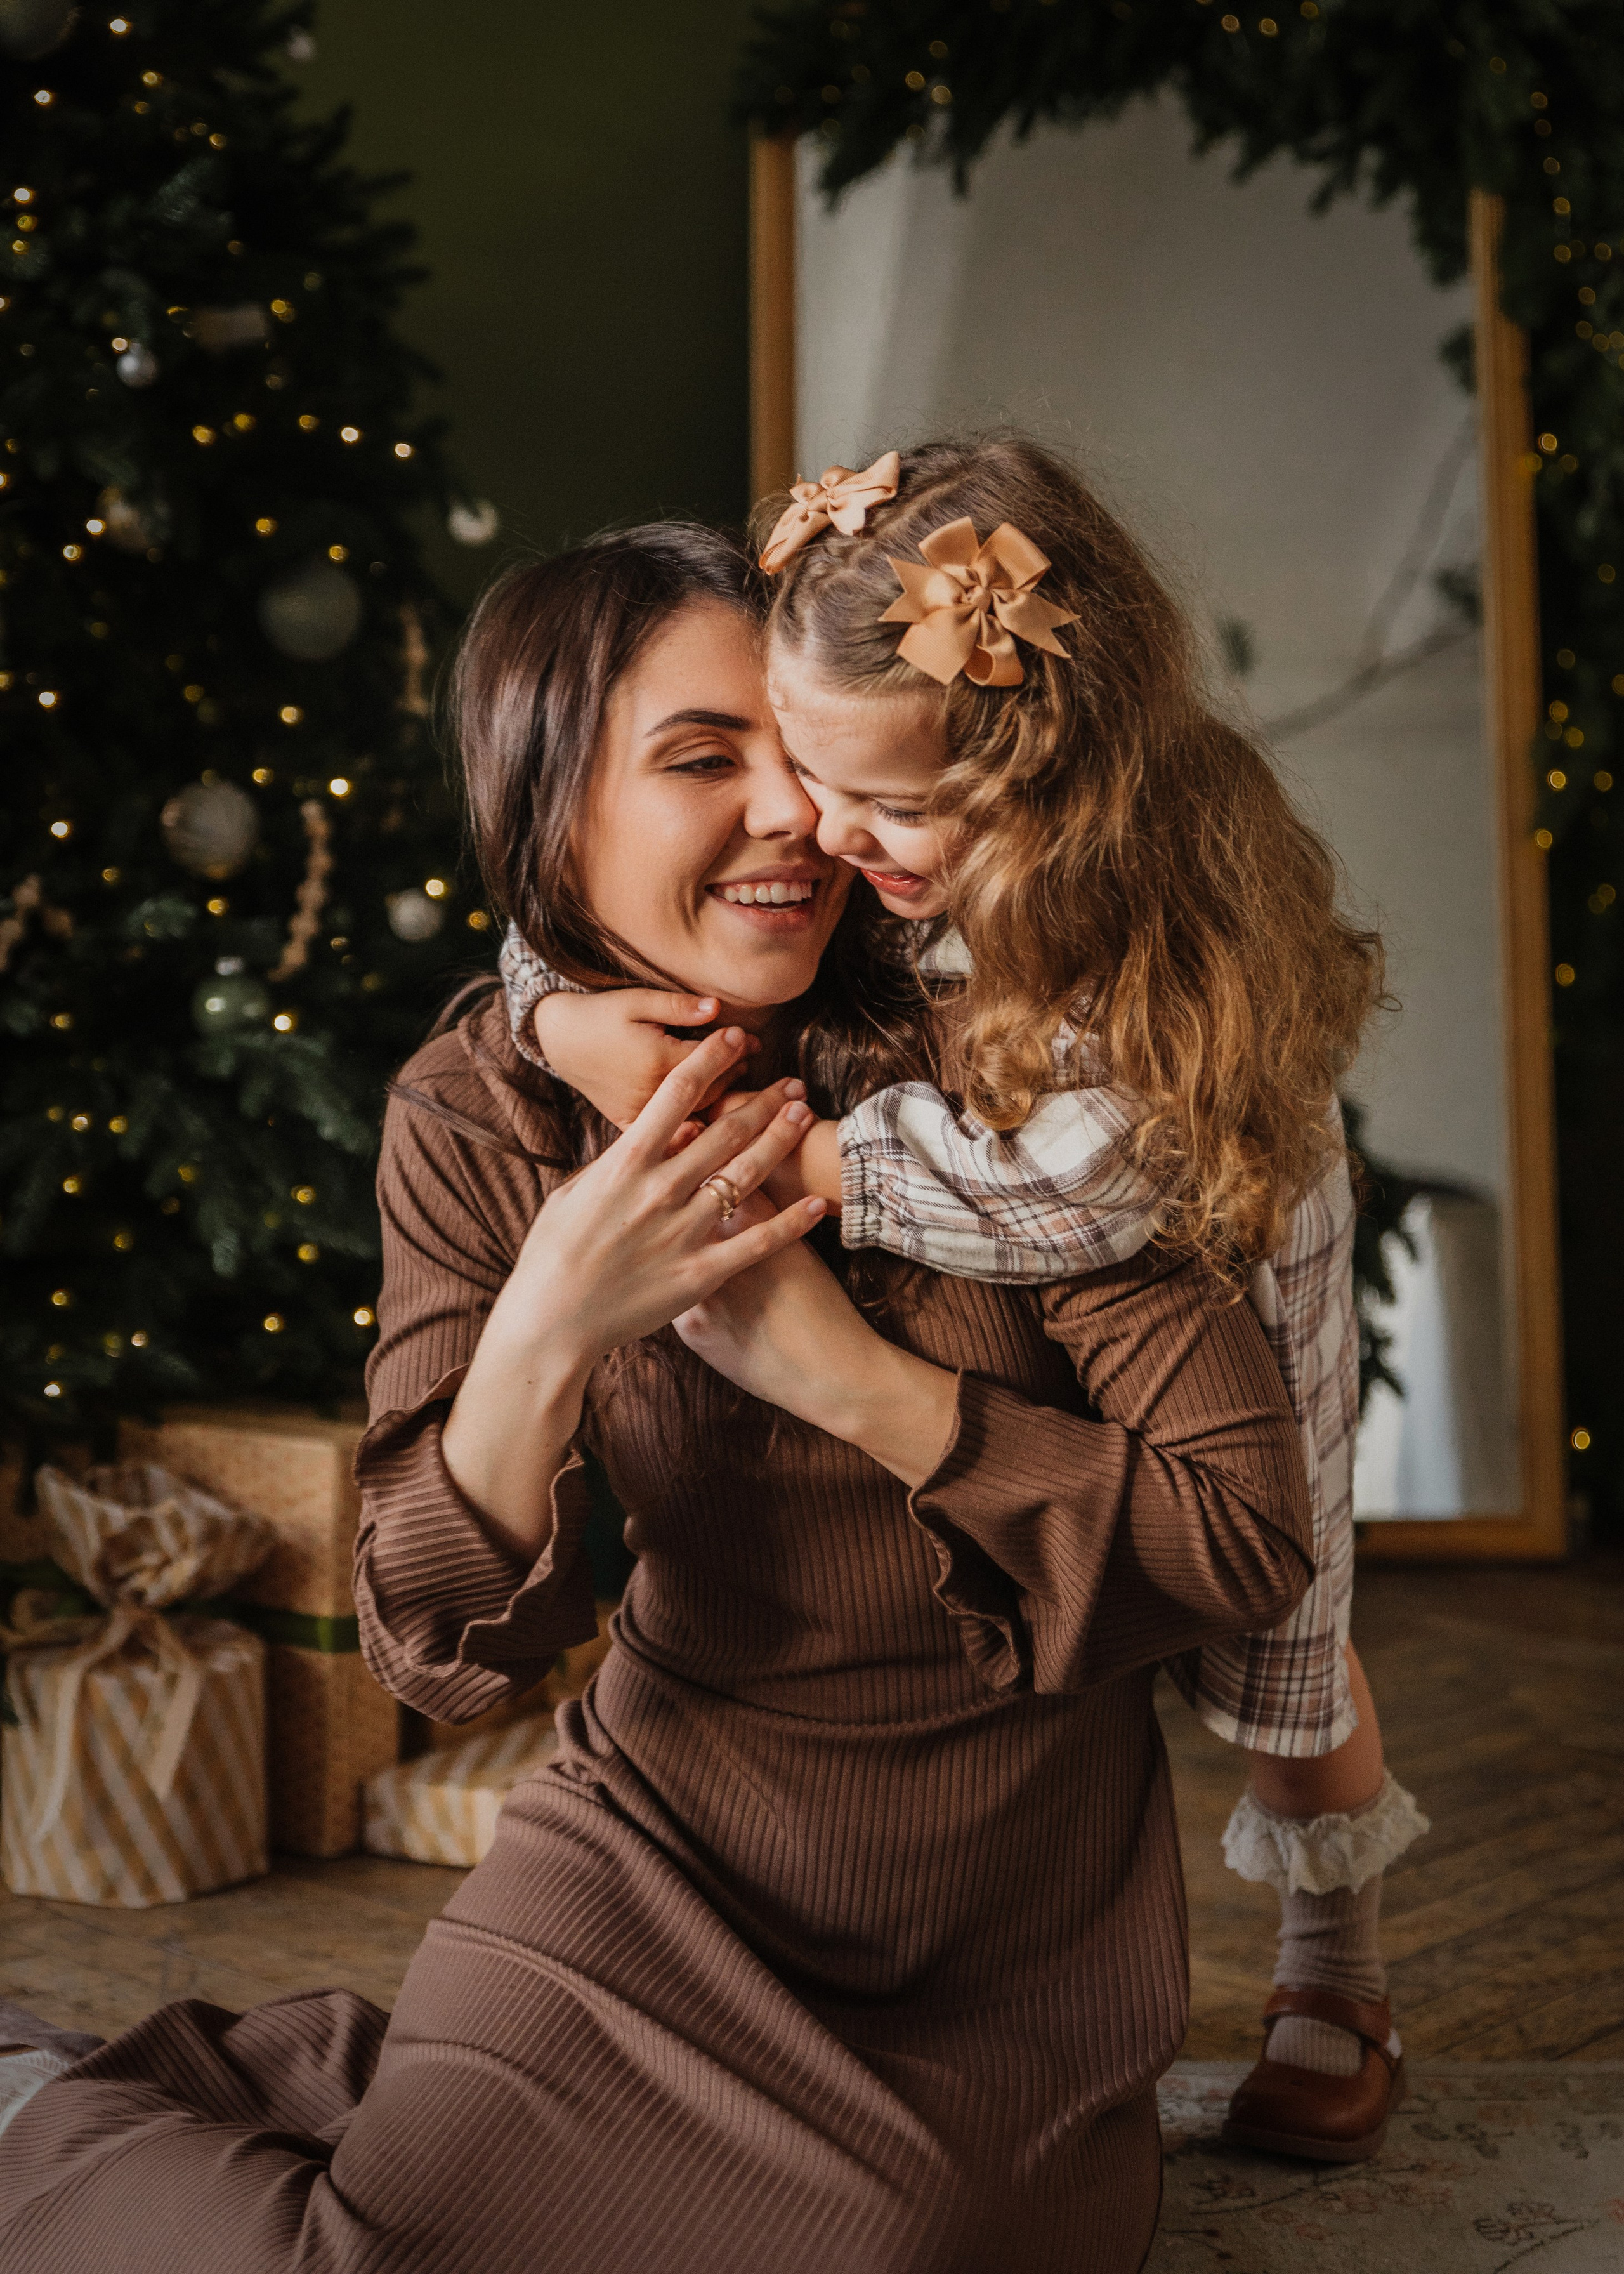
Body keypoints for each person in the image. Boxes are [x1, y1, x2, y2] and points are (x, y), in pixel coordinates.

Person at [0, 522, 1315, 2274]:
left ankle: (367, 2098)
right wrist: (546, 1327)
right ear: (549, 807)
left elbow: (1240, 1536)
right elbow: (426, 1641)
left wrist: (856, 1384)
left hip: (1000, 1923)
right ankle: (40, 2107)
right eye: (705, 760)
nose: (800, 818)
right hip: (657, 1849)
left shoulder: (1012, 1060)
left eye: (802, 755)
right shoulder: (482, 1109)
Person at [501, 438, 1427, 2164]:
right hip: (998, 1218)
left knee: (1282, 1654)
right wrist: (547, 1011)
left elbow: (1097, 1179)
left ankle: (1339, 1963)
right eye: (800, 772)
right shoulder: (872, 818)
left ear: (1043, 784)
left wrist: (835, 1175)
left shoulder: (1144, 913)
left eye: (891, 810)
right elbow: (585, 906)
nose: (826, 834)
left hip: (1202, 1205)